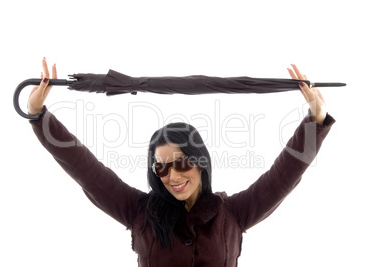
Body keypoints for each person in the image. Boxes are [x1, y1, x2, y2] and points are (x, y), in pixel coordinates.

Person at [28, 58, 335, 266]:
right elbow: (85, 169)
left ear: (200, 161)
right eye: (160, 166)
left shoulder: (234, 214)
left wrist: (315, 120)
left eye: (181, 163)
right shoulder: (139, 212)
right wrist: (40, 116)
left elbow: (284, 176)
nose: (172, 175)